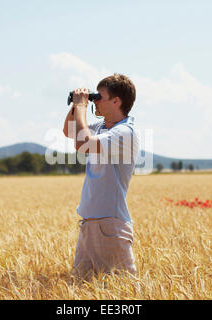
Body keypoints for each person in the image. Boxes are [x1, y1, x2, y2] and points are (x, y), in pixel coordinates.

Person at [62, 73, 140, 279]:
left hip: (109, 226)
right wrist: (77, 105)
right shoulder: (103, 128)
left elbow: (82, 144)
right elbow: (70, 131)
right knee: (81, 287)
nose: (95, 101)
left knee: (120, 292)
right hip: (90, 223)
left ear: (116, 101)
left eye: (99, 97)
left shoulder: (125, 132)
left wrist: (82, 107)